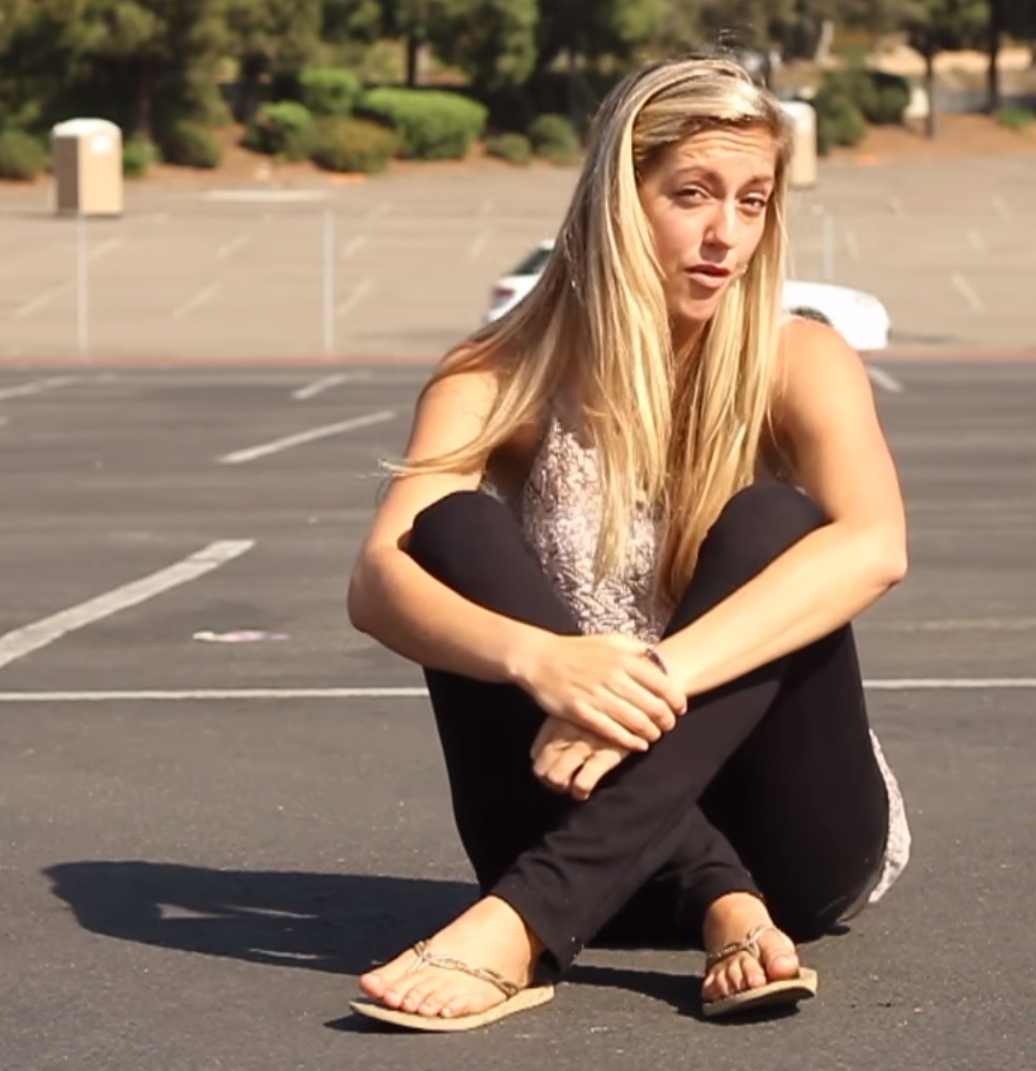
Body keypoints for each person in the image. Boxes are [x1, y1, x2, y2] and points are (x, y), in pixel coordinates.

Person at [342, 53, 912, 1031]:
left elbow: (876, 546)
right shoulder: (497, 372)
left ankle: (522, 925)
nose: (725, 233)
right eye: (691, 194)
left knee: (779, 523)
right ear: (618, 198)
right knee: (450, 529)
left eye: (751, 201)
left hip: (793, 852)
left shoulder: (797, 357)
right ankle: (718, 898)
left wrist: (649, 684)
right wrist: (543, 662)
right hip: (565, 823)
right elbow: (377, 582)